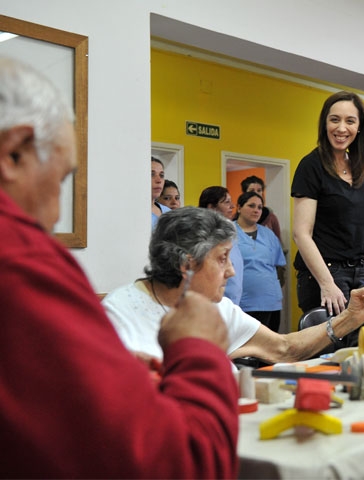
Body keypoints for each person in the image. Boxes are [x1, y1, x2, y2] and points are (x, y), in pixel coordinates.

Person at [0, 57, 240, 477]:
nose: (56, 215)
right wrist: (198, 351)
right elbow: (179, 463)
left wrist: (110, 378)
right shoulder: (19, 260)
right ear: (14, 154)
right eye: (60, 181)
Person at [103, 207, 364, 365]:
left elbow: (285, 348)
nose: (231, 271)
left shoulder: (218, 308)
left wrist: (350, 318)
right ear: (186, 264)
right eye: (223, 259)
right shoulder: (119, 315)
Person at [291, 90, 364, 323]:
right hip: (326, 274)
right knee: (330, 355)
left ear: (359, 128)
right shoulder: (311, 166)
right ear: (324, 124)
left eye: (350, 121)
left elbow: (359, 230)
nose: (341, 128)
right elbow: (301, 234)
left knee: (362, 348)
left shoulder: (359, 168)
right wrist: (327, 284)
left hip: (359, 273)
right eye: (334, 119)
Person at [234, 191, 286, 332]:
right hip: (243, 302)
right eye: (251, 206)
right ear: (239, 207)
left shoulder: (268, 234)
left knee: (270, 346)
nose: (256, 210)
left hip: (270, 301)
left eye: (259, 207)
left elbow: (279, 266)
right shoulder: (228, 232)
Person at [198, 185, 244, 305]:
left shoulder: (229, 231)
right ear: (211, 207)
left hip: (234, 301)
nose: (232, 206)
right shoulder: (204, 235)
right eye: (226, 202)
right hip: (213, 301)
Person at [240, 175, 282, 244]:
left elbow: (277, 244)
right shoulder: (236, 218)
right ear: (245, 193)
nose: (256, 193)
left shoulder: (271, 217)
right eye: (252, 190)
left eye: (259, 190)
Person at [151, 157, 171, 231]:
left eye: (161, 175)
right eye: (152, 174)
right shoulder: (131, 211)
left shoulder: (168, 212)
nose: (159, 180)